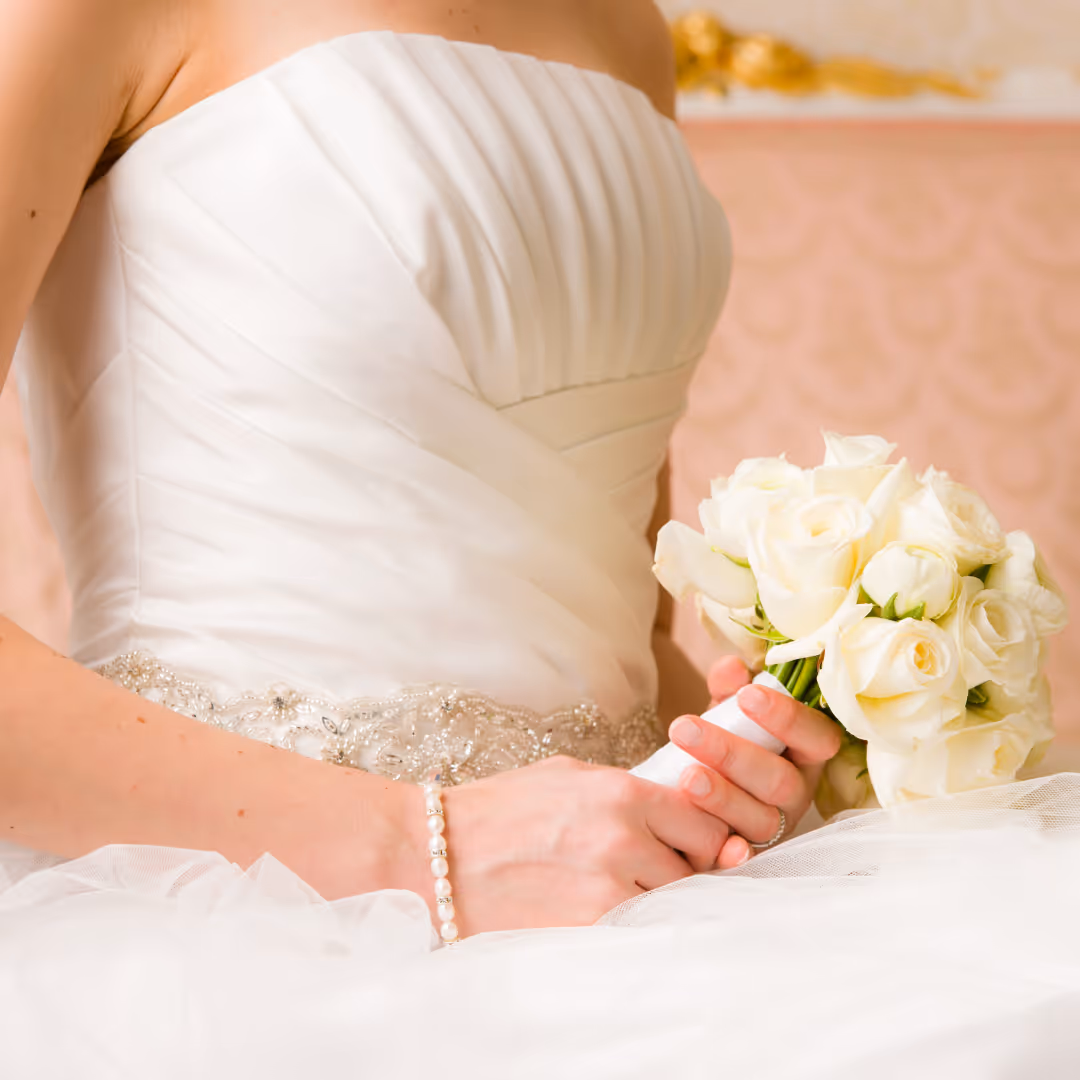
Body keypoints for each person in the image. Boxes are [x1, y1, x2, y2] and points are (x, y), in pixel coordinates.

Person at [2, 2, 1079, 1076]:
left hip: (634, 933)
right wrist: (428, 846)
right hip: (234, 934)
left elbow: (614, 618)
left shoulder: (624, 26)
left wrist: (721, 775)